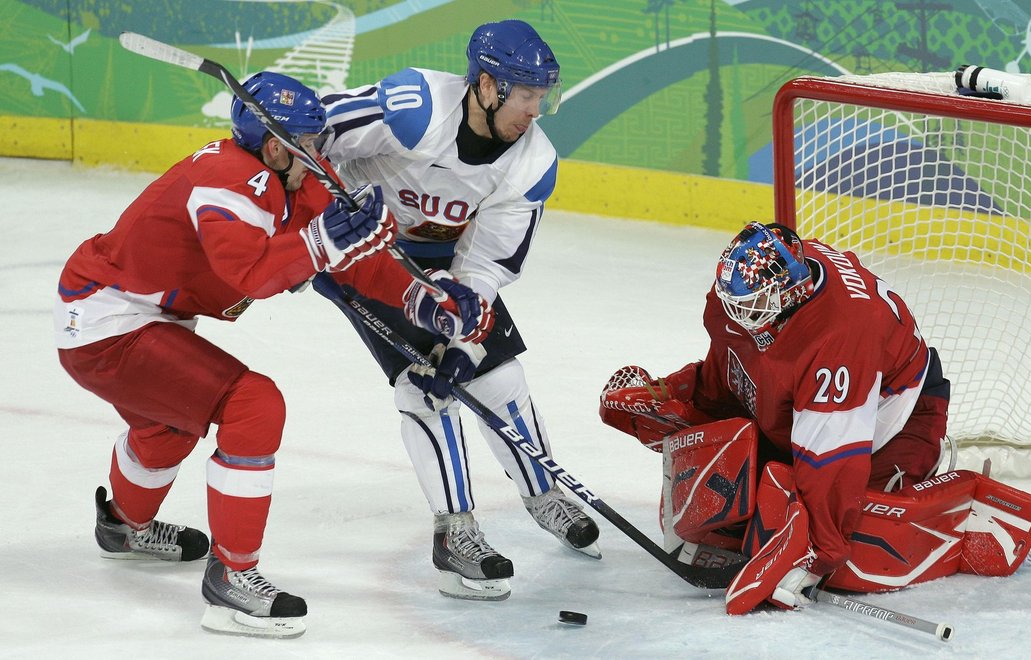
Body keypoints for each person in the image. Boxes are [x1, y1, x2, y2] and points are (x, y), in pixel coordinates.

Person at [54, 71, 486, 638]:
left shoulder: (293, 179)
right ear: (277, 146)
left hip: (133, 314)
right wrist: (320, 243)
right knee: (252, 404)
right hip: (105, 321)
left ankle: (123, 526)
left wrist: (421, 298)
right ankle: (232, 579)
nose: (321, 154)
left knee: (168, 425)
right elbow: (250, 273)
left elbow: (352, 259)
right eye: (309, 144)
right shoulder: (227, 181)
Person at [316, 19, 600, 601]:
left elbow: (488, 263)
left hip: (443, 267)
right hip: (369, 254)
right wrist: (316, 231)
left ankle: (543, 494)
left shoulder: (532, 161)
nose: (535, 110)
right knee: (426, 389)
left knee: (499, 374)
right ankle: (456, 534)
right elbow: (314, 134)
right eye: (525, 95)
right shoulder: (415, 106)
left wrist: (465, 336)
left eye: (542, 96)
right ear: (488, 86)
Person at [600, 221, 978, 611]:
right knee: (734, 509)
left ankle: (916, 470)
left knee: (853, 554)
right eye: (734, 300)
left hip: (897, 419)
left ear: (791, 295)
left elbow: (831, 458)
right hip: (800, 407)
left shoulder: (839, 339)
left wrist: (817, 553)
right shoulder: (753, 293)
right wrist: (682, 399)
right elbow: (733, 369)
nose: (737, 313)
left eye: (753, 306)